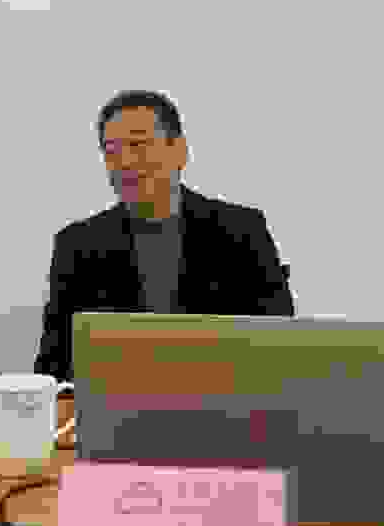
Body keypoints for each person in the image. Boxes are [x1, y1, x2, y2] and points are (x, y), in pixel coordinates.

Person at [33, 89, 295, 382]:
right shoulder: (78, 245)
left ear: (179, 151)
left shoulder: (241, 232)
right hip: (119, 403)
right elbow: (54, 365)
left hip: (226, 398)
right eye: (112, 150)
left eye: (138, 145)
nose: (125, 162)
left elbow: (280, 343)